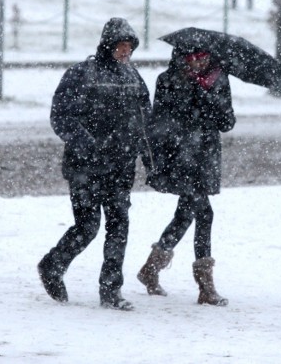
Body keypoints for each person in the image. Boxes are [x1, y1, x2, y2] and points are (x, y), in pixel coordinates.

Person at [37, 18, 152, 311]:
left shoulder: (134, 78)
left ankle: (111, 290)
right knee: (87, 226)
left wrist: (149, 158)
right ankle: (52, 266)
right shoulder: (81, 74)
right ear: (108, 45)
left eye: (130, 47)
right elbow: (61, 117)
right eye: (121, 46)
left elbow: (144, 122)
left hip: (121, 167)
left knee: (119, 226)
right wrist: (89, 145)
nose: (126, 52)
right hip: (84, 167)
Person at [138, 47, 236, 306]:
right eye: (194, 58)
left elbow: (227, 122)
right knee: (203, 213)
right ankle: (205, 287)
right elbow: (159, 122)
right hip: (181, 156)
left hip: (206, 156)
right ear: (182, 58)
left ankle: (151, 268)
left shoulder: (218, 79)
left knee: (186, 214)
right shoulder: (168, 80)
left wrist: (208, 99)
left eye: (204, 57)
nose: (200, 63)